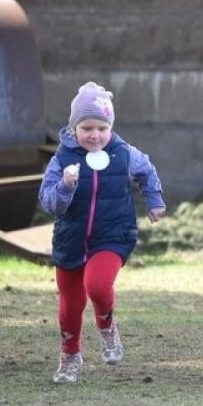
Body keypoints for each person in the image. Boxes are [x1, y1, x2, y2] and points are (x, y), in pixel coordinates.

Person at [38, 81, 165, 383]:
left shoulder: (124, 154)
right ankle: (70, 355)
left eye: (101, 128)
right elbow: (49, 202)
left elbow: (147, 170)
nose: (94, 135)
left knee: (96, 286)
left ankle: (106, 326)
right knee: (70, 306)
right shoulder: (62, 160)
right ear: (73, 128)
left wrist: (154, 198)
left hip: (112, 235)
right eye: (87, 128)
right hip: (71, 240)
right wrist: (66, 186)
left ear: (110, 127)